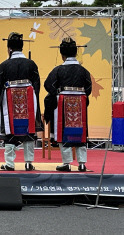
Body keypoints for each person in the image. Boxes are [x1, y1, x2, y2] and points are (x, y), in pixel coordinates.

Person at [0, 32, 43, 171]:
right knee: (28, 131)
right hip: (28, 98)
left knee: (10, 132)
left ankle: (9, 163)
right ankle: (28, 162)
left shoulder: (4, 65)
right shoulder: (31, 64)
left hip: (9, 99)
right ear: (21, 47)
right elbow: (37, 84)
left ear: (9, 48)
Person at [44, 37, 92, 172]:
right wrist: (80, 96)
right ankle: (82, 163)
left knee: (62, 132)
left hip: (62, 102)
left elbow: (48, 85)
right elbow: (88, 88)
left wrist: (58, 94)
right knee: (80, 133)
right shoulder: (84, 71)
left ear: (62, 54)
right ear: (76, 53)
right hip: (80, 103)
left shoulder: (58, 70)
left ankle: (67, 163)